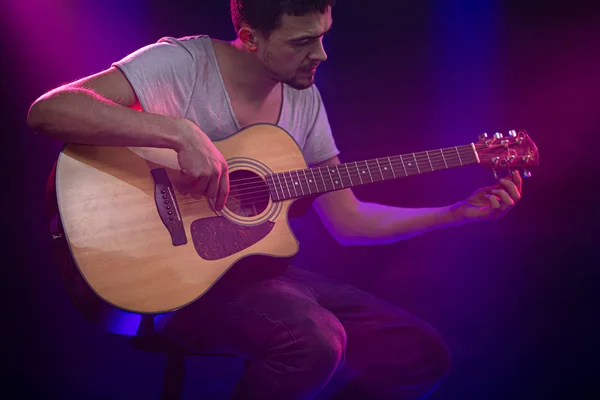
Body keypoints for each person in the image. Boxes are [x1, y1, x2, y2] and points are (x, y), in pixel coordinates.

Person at [27, 1, 524, 399]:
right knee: (312, 340)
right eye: (303, 41)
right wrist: (178, 133)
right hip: (170, 287)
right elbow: (50, 110)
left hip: (251, 276)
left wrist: (455, 213)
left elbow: (347, 221)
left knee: (419, 354)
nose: (321, 54)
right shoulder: (182, 64)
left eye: (323, 35)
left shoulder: (304, 97)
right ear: (249, 38)